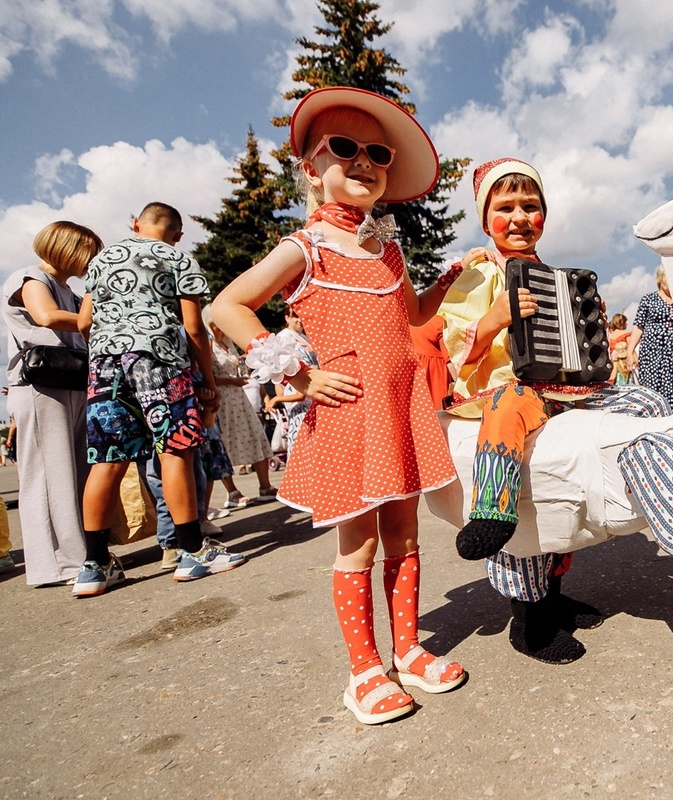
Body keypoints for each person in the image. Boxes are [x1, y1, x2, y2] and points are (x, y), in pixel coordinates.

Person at [212, 86, 466, 725]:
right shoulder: (307, 247)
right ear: (310, 168)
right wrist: (297, 372)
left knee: (405, 532)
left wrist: (441, 286)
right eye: (345, 149)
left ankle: (406, 649)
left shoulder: (389, 251)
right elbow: (227, 307)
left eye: (377, 153)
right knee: (357, 543)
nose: (365, 162)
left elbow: (409, 318)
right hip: (352, 409)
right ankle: (364, 671)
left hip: (401, 404)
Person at [440, 157, 609, 561]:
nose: (519, 217)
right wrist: (495, 317)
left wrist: (591, 331)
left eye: (531, 206)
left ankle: (558, 588)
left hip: (564, 390)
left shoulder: (558, 278)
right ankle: (491, 511)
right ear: (485, 222)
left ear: (544, 216)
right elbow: (452, 345)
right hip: (510, 387)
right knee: (509, 402)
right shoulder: (482, 274)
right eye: (505, 208)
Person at [78, 202, 244, 596]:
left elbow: (85, 322)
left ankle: (94, 566)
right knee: (175, 451)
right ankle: (191, 552)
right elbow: (194, 329)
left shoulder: (103, 261)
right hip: (159, 360)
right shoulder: (178, 258)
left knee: (107, 462)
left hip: (105, 365)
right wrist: (206, 379)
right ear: (178, 234)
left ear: (135, 224)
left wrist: (110, 348)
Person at [2, 221, 101, 587]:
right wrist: (100, 319)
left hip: (69, 381)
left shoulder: (69, 291)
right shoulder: (30, 277)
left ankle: (78, 555)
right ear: (68, 248)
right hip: (41, 384)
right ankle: (60, 564)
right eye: (87, 251)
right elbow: (45, 316)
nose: (92, 259)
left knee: (73, 471)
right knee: (49, 473)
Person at [202, 304, 277, 505]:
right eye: (217, 325)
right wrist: (229, 381)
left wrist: (241, 365)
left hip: (239, 396)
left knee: (255, 435)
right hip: (223, 398)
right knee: (225, 443)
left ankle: (265, 485)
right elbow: (206, 376)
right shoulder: (208, 345)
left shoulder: (227, 343)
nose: (221, 328)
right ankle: (232, 492)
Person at [628, 266, 673, 413]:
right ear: (660, 278)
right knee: (652, 391)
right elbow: (638, 327)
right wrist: (630, 352)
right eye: (667, 276)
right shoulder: (648, 300)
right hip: (652, 356)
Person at [263, 305, 319, 457]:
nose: (300, 319)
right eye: (295, 316)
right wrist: (280, 397)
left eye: (301, 315)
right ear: (287, 318)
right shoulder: (283, 338)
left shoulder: (304, 337)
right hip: (299, 398)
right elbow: (278, 373)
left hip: (310, 397)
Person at [408, 315, 452, 410]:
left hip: (415, 369)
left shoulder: (410, 319)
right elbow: (449, 359)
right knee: (438, 411)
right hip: (436, 373)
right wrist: (458, 384)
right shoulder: (438, 321)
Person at [607, 312, 633, 385]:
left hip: (613, 363)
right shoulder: (626, 334)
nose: (627, 324)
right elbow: (631, 348)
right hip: (623, 364)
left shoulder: (610, 336)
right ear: (622, 323)